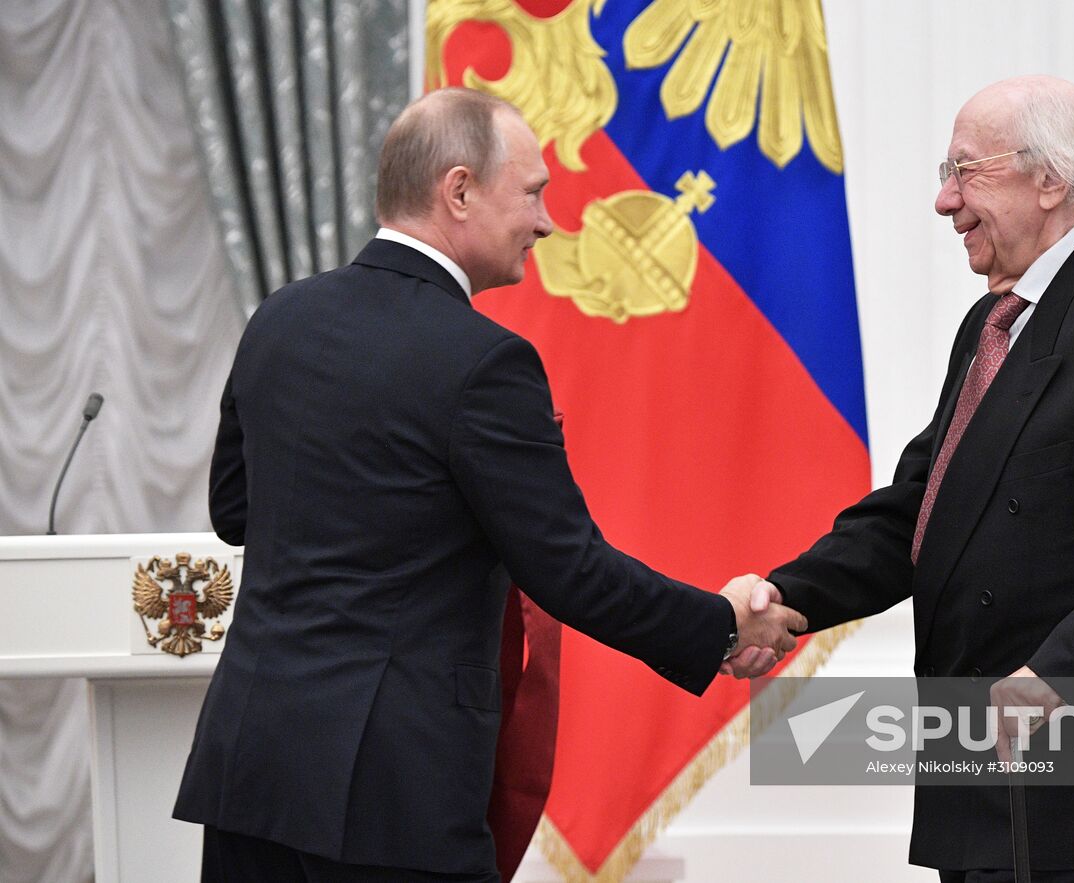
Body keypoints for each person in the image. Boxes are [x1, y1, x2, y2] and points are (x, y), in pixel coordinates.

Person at [173, 87, 803, 883]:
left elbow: (235, 513)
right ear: (459, 189)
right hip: (391, 798)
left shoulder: (279, 318)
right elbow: (569, 570)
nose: (546, 221)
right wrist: (721, 624)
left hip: (251, 770)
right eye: (534, 192)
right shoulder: (484, 362)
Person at [734, 75, 1074, 881]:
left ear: (1050, 179)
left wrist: (1064, 673)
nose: (945, 201)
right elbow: (925, 506)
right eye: (943, 176)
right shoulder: (996, 320)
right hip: (985, 766)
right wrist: (790, 598)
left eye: (964, 171)